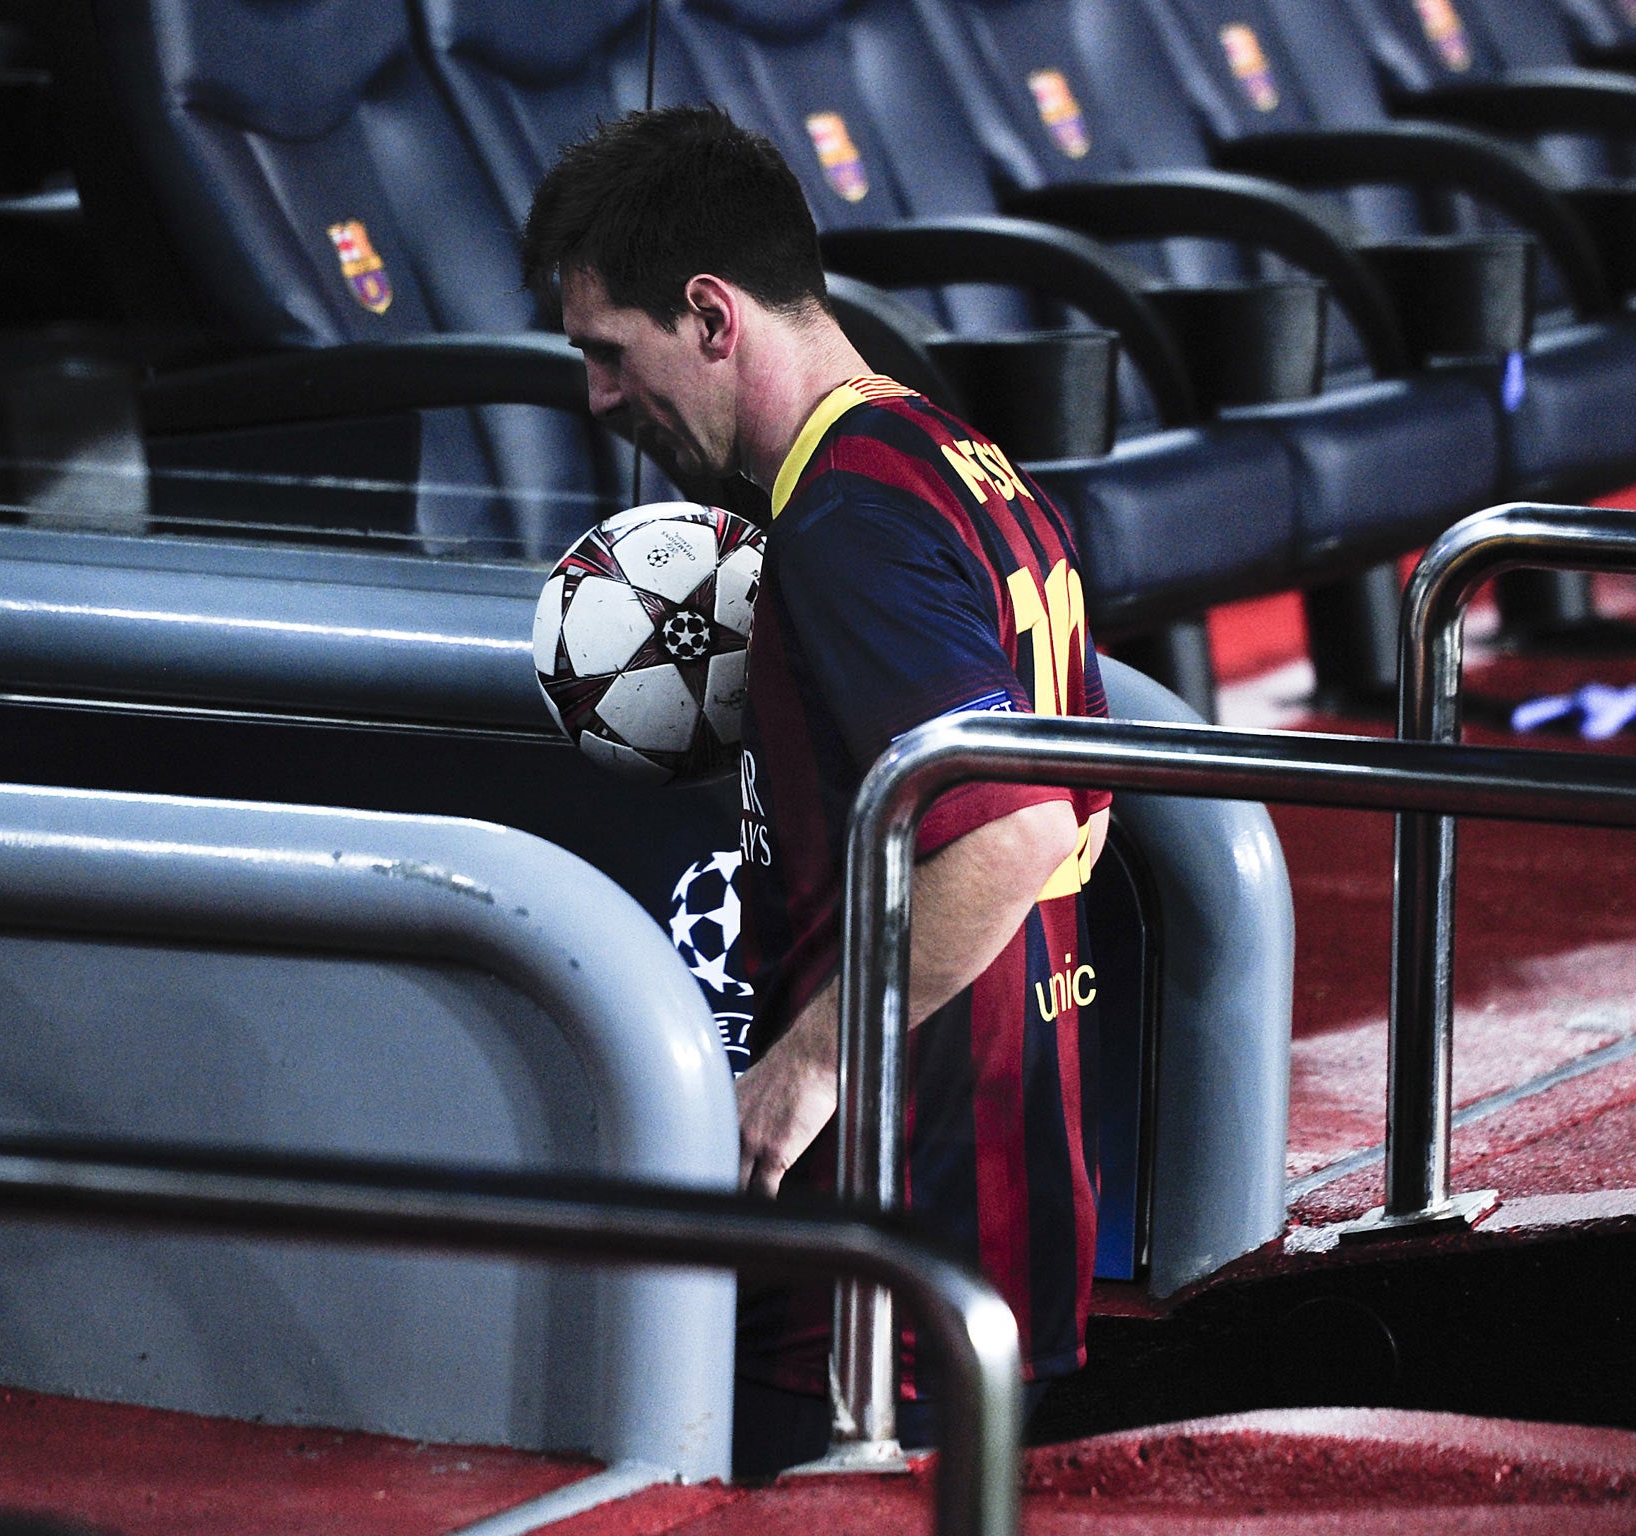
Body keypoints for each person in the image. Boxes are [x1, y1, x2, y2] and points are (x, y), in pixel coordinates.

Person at [521, 104, 1113, 1476]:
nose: (599, 399)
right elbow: (1083, 801)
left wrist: (802, 1070)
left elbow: (1011, 826)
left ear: (714, 317)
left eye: (611, 353)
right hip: (1013, 1215)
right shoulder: (972, 470)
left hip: (882, 1256)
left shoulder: (848, 527)